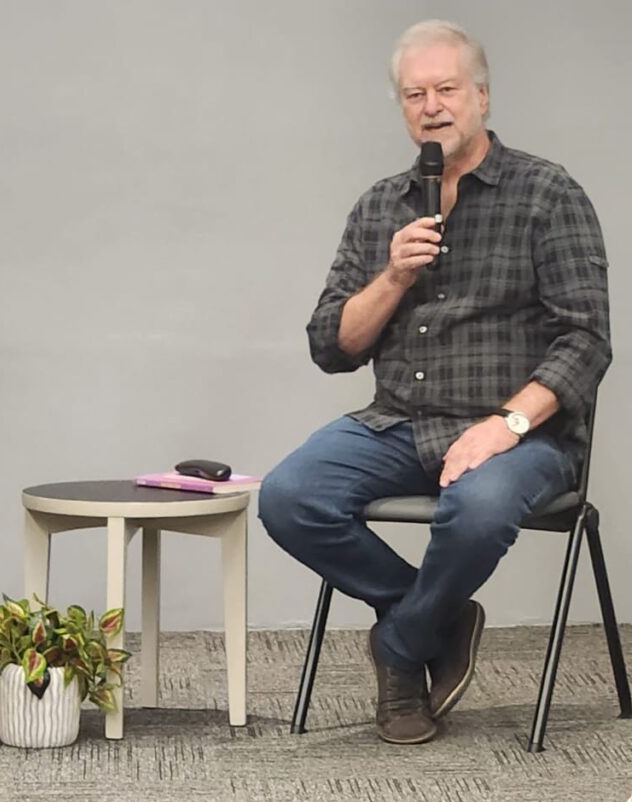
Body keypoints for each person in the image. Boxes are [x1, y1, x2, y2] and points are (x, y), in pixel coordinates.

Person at [259, 20, 610, 745]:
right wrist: (393, 276)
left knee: (477, 508)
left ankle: (399, 650)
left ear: (481, 96)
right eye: (415, 94)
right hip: (399, 422)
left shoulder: (547, 193)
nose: (432, 105)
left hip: (521, 433)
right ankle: (436, 620)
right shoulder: (380, 206)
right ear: (402, 108)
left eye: (447, 88)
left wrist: (503, 427)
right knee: (289, 497)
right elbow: (332, 346)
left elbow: (586, 340)